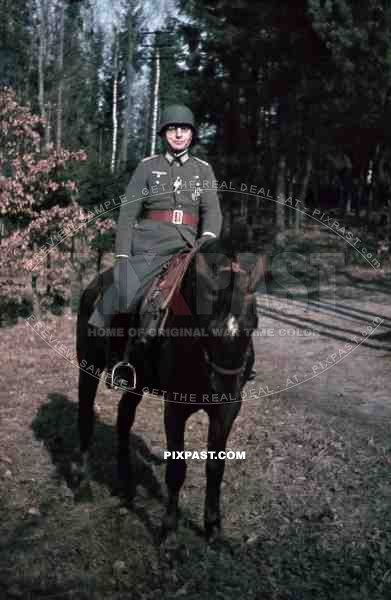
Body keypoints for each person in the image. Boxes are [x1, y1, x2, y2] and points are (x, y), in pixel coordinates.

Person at [88, 104, 223, 389]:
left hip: (189, 246)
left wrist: (208, 242)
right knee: (123, 293)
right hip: (150, 245)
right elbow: (127, 213)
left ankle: (228, 363)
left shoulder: (203, 170)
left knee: (221, 297)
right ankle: (118, 362)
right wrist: (123, 253)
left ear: (192, 135)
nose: (178, 134)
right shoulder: (148, 167)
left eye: (184, 129)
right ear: (164, 133)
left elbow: (212, 212)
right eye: (172, 129)